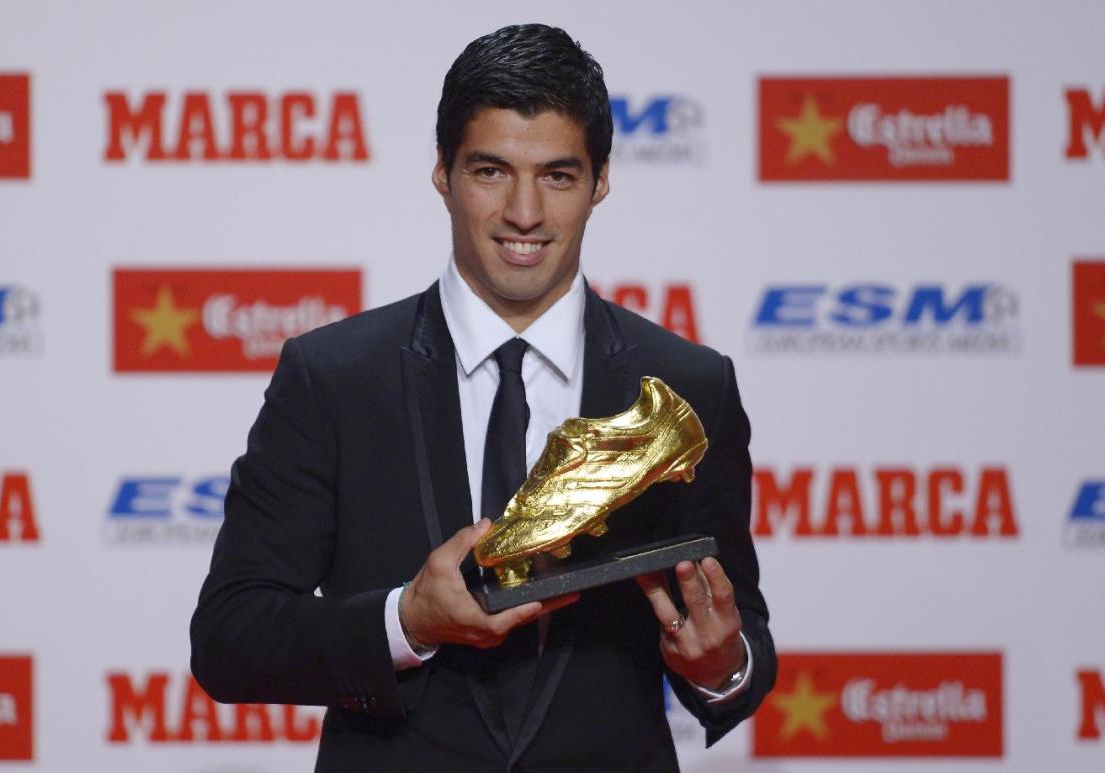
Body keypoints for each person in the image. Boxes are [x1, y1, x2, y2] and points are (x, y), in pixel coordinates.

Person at [191, 23, 775, 772]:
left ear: (600, 180)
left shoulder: (684, 387)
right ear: (442, 171)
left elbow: (740, 642)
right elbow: (230, 638)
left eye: (558, 176)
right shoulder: (333, 376)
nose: (524, 213)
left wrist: (718, 666)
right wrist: (406, 621)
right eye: (491, 171)